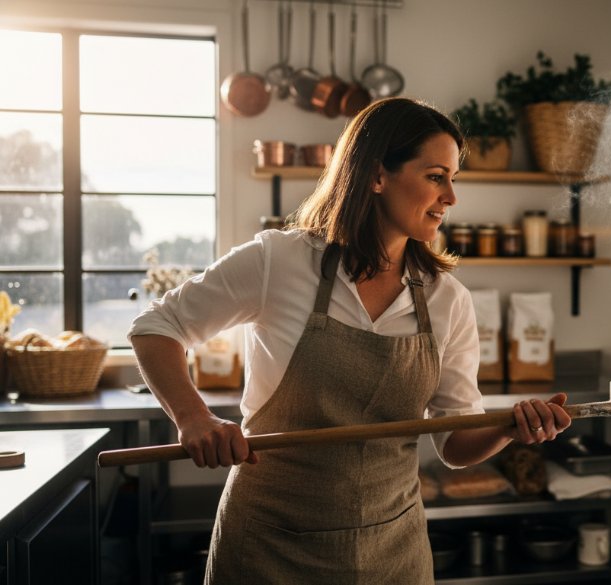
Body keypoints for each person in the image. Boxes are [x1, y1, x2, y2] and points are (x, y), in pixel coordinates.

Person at [128, 97, 572, 584]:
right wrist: (193, 418)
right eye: (435, 176)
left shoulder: (448, 300)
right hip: (269, 545)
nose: (451, 197)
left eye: (453, 179)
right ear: (377, 176)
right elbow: (157, 327)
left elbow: (453, 441)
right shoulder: (279, 260)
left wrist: (512, 427)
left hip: (392, 551)